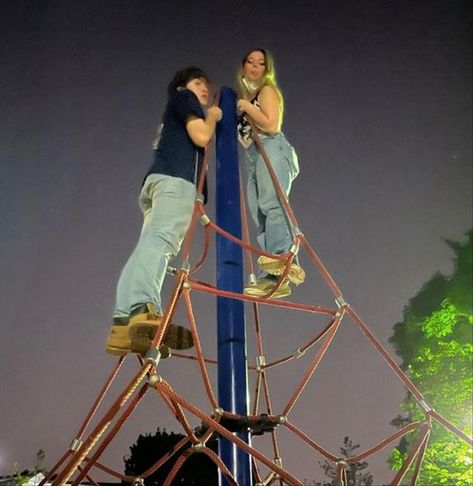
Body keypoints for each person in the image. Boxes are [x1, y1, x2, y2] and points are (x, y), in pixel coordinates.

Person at [106, 66, 222, 356]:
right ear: (184, 84)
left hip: (159, 181)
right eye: (199, 82)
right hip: (177, 181)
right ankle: (144, 309)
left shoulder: (175, 109)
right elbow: (200, 136)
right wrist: (214, 116)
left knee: (147, 244)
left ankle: (123, 324)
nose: (205, 89)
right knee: (162, 242)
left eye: (207, 85)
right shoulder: (185, 98)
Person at [236, 48, 305, 298]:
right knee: (259, 213)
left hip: (271, 146)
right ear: (243, 67)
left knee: (271, 203)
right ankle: (274, 276)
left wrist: (245, 105)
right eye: (250, 62)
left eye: (260, 63)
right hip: (253, 155)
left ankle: (285, 258)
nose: (254, 66)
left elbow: (271, 125)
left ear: (267, 69)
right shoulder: (246, 98)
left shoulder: (265, 91)